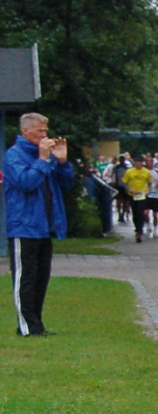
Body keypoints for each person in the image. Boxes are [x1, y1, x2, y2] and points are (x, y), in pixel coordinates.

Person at [5, 113, 76, 337]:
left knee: (40, 277)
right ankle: (26, 326)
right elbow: (26, 183)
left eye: (46, 131)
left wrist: (63, 162)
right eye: (40, 131)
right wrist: (43, 160)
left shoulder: (45, 156)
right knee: (25, 278)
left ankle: (37, 324)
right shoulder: (13, 156)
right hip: (23, 226)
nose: (45, 136)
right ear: (25, 132)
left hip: (44, 226)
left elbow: (67, 184)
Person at [120, 157, 152, 243]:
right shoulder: (129, 171)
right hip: (133, 194)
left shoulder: (146, 171)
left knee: (140, 212)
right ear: (134, 162)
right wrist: (129, 189)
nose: (139, 164)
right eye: (137, 162)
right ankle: (137, 228)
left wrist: (148, 189)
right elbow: (123, 182)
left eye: (140, 162)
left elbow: (149, 182)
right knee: (135, 213)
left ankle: (139, 231)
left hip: (142, 195)